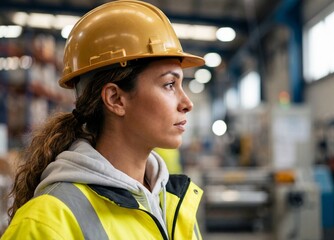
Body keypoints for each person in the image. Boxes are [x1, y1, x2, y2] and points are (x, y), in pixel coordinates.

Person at [1, 1, 205, 239]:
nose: (187, 103)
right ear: (116, 99)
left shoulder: (173, 205)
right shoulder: (45, 223)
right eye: (169, 84)